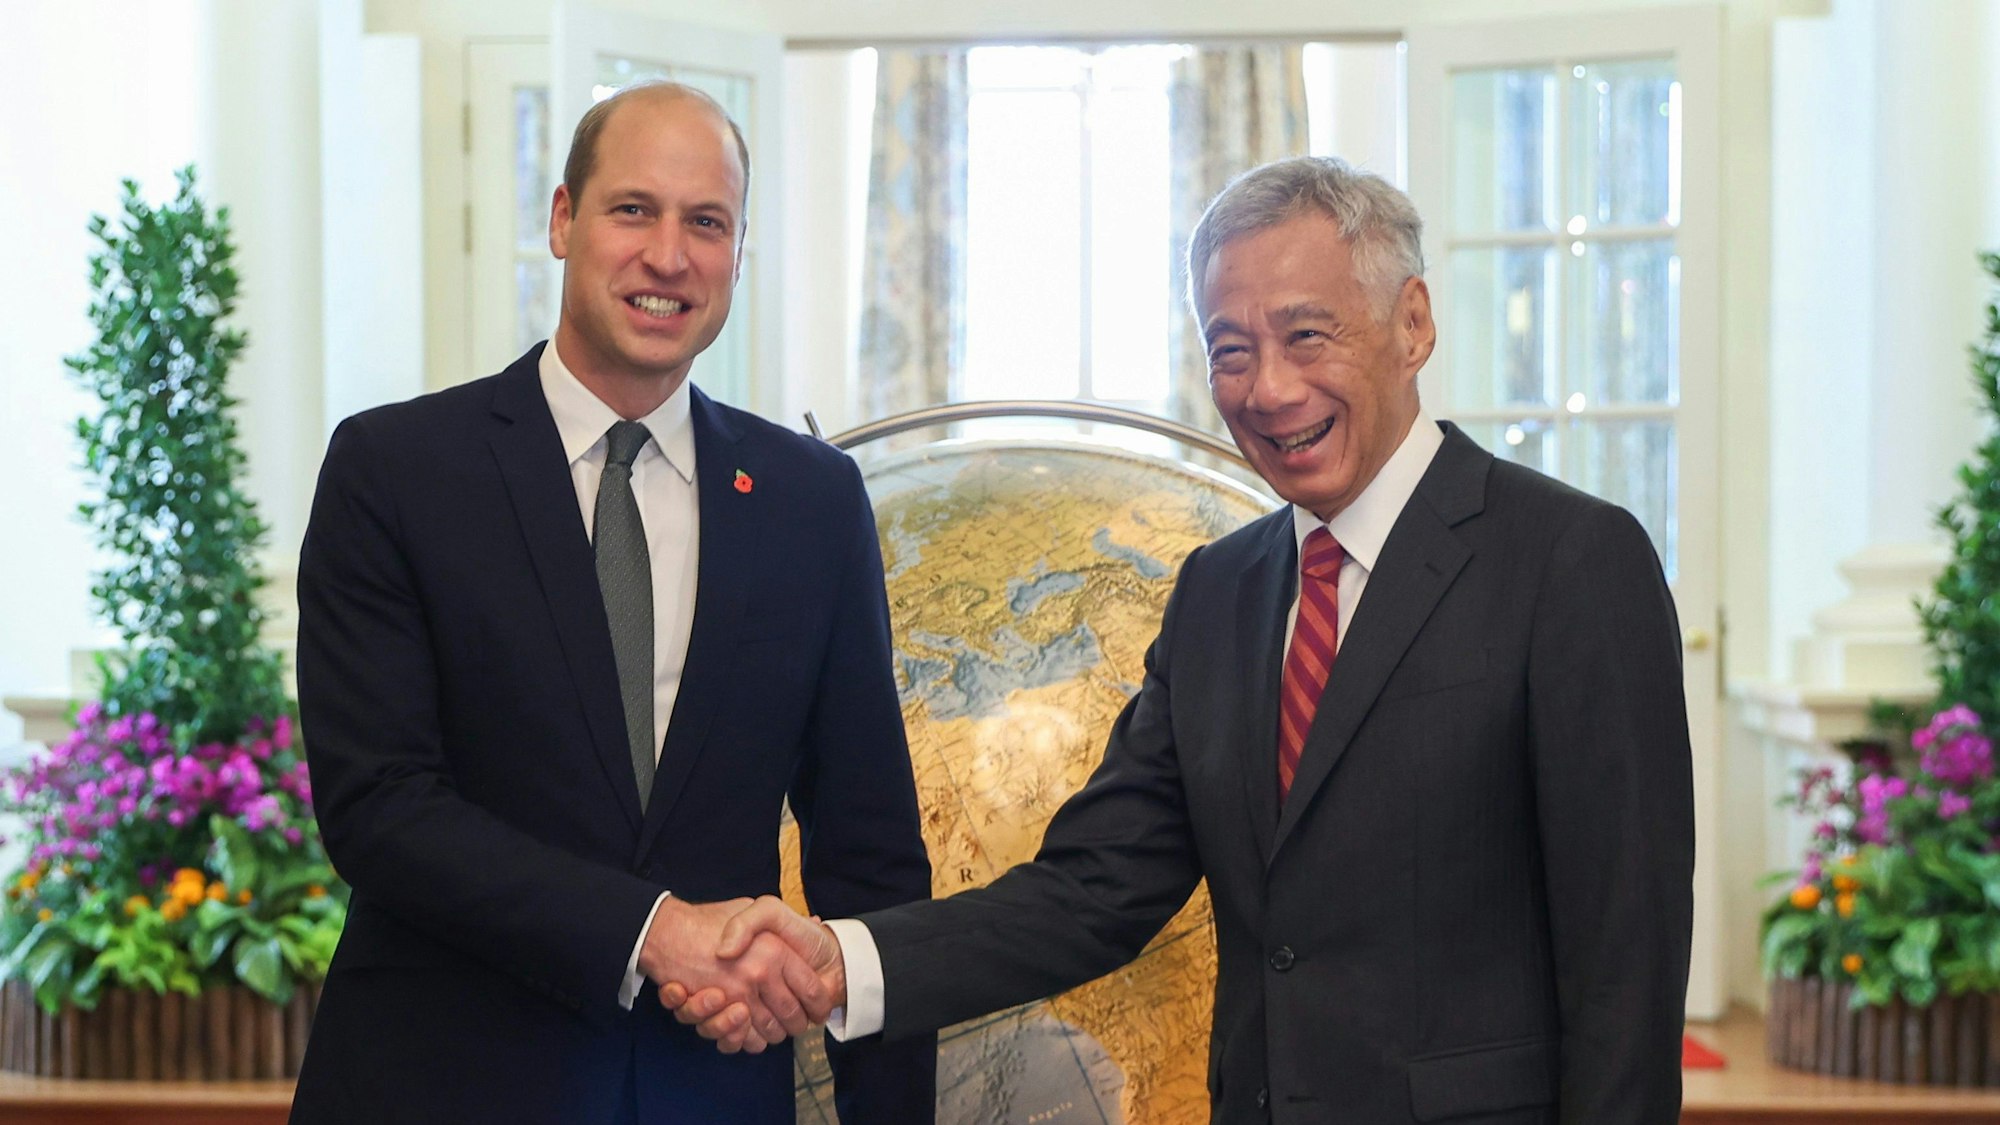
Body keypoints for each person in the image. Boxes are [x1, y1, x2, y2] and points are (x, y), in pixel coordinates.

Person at [670, 155, 1694, 1124]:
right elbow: (1091, 892)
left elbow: (1624, 965)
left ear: (1411, 323)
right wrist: (833, 963)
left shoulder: (1567, 563)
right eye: (1229, 349)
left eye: (1305, 336)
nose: (1267, 389)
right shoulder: (1220, 590)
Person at [291, 81, 935, 1125]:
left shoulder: (811, 501)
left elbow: (871, 854)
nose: (669, 256)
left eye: (707, 222)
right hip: (439, 1087)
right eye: (633, 209)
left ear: (736, 255)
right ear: (560, 221)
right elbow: (380, 808)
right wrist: (651, 931)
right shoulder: (395, 470)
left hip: (709, 1097)